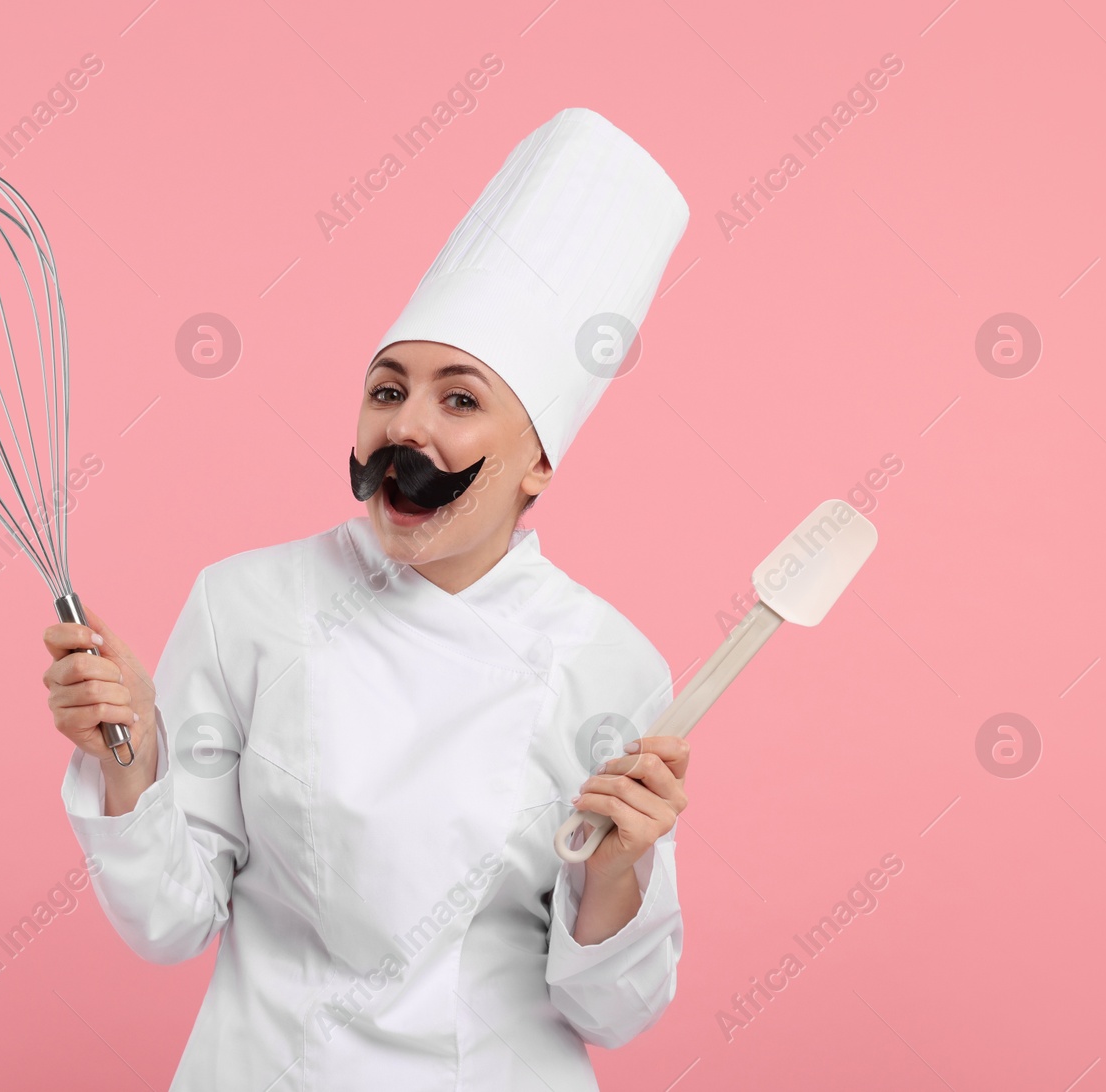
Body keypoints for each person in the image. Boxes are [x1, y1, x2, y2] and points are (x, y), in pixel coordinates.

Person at [45, 107, 693, 1090]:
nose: (407, 429)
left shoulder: (609, 661)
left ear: (538, 464)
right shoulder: (246, 605)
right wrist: (127, 760)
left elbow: (609, 1011)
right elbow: (171, 924)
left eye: (461, 399)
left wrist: (616, 877)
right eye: (386, 390)